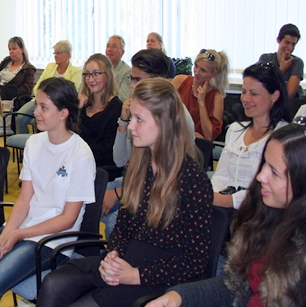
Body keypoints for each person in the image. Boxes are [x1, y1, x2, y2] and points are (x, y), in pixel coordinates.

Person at [36, 78, 212, 307]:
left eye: (139, 119)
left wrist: (137, 275)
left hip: (161, 277)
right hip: (128, 260)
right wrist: (113, 255)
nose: (130, 127)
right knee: (54, 284)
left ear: (164, 123)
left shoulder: (193, 180)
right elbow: (123, 227)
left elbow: (196, 262)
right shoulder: (139, 167)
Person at [0, 77, 96, 307]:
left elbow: (68, 219)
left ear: (63, 113)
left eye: (43, 107)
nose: (36, 112)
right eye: (36, 105)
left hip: (52, 241)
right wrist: (8, 232)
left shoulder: (81, 154)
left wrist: (17, 235)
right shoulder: (34, 143)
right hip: (23, 229)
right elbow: (24, 199)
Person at [146, 121, 306, 307]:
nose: (261, 176)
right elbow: (234, 287)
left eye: (275, 172)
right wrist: (179, 296)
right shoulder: (265, 218)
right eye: (264, 164)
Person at [102, 49, 195, 238]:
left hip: (164, 191)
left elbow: (165, 179)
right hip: (137, 180)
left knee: (114, 222)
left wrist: (120, 193)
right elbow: (120, 161)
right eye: (132, 79)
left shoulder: (175, 117)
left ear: (161, 82)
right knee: (90, 197)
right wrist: (123, 121)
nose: (133, 86)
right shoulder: (141, 113)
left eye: (138, 80)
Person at [211, 62, 290, 209]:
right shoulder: (235, 130)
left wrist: (230, 201)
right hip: (225, 207)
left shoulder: (284, 137)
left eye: (253, 93)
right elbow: (221, 176)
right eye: (243, 92)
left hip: (261, 211)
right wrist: (213, 196)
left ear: (274, 96)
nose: (246, 99)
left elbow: (276, 188)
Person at [15, 40, 82, 134]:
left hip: (59, 105)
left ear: (68, 54)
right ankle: (25, 142)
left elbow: (71, 92)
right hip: (39, 101)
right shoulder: (50, 67)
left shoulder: (75, 71)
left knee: (38, 121)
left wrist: (49, 98)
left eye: (59, 52)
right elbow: (37, 87)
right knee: (20, 117)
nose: (55, 56)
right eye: (55, 53)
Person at [77, 53, 122, 169]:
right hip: (78, 163)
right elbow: (67, 135)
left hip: (102, 169)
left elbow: (107, 150)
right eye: (87, 74)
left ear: (108, 75)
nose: (91, 79)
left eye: (96, 73)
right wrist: (77, 110)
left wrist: (77, 149)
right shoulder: (82, 104)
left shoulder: (116, 108)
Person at [173, 48, 229, 141]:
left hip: (196, 144)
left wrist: (201, 102)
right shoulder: (179, 81)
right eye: (196, 66)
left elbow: (209, 136)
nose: (197, 72)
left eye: (203, 70)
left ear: (213, 74)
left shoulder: (217, 97)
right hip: (174, 137)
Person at [258, 23, 303, 99]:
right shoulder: (266, 58)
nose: (290, 48)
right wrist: (281, 70)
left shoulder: (297, 62)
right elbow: (262, 87)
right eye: (287, 42)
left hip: (290, 104)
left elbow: (289, 94)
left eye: (293, 44)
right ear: (278, 40)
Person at [106, 35, 132, 101]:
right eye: (108, 46)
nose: (109, 49)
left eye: (114, 46)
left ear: (122, 52)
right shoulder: (100, 68)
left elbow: (122, 98)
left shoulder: (127, 72)